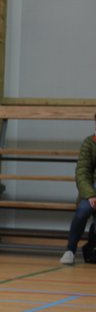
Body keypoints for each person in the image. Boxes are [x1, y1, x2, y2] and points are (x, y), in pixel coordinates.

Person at [59, 113, 95, 265]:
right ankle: (70, 250)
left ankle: (91, 248)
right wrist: (91, 195)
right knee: (82, 211)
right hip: (91, 191)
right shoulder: (89, 143)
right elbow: (81, 172)